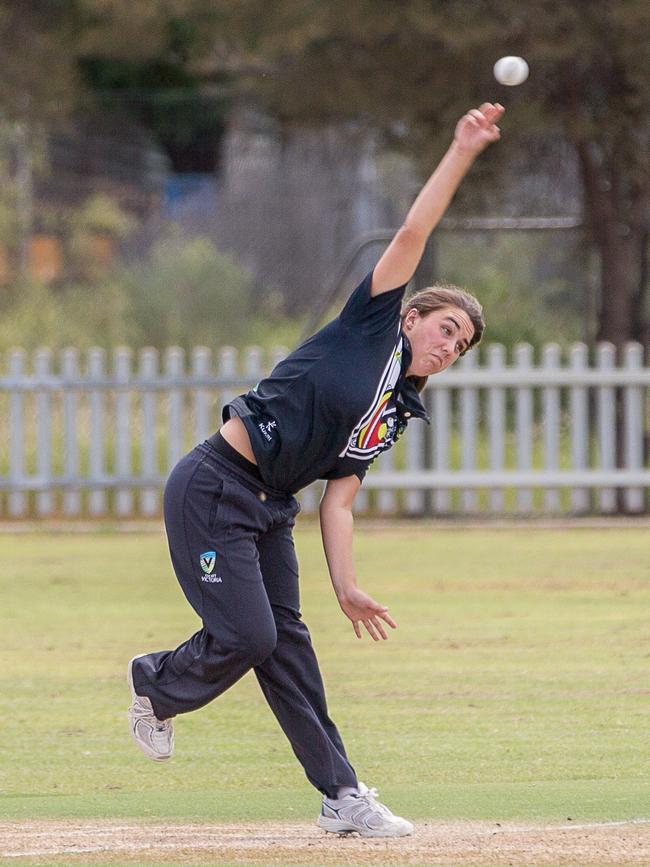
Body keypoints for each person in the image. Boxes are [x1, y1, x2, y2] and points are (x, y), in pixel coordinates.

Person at [127, 102, 504, 837]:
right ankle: (157, 682)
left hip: (271, 508)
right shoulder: (371, 324)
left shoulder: (393, 409)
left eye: (461, 347)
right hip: (213, 486)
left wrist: (347, 584)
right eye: (447, 328)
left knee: (287, 646)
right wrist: (460, 150)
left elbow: (340, 502)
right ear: (413, 316)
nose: (450, 345)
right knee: (251, 637)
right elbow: (413, 231)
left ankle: (342, 794)